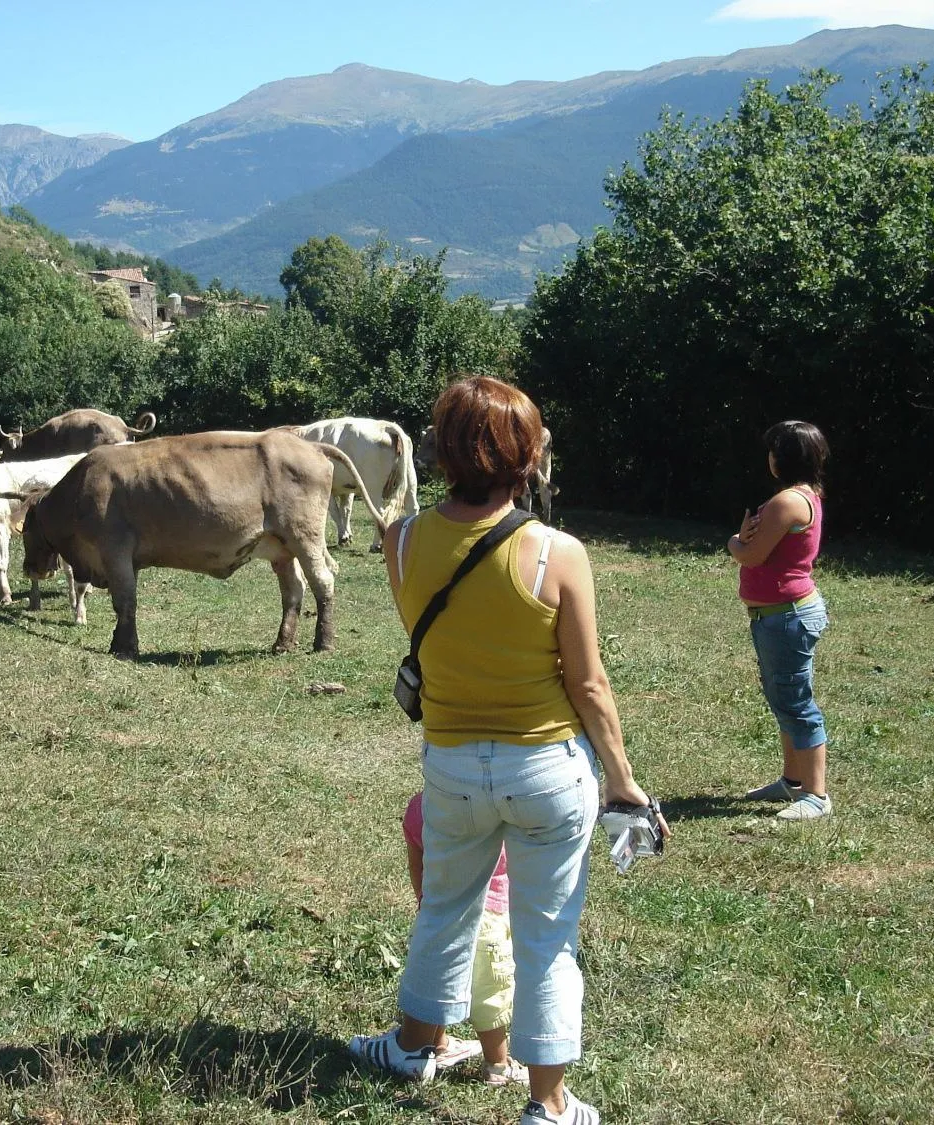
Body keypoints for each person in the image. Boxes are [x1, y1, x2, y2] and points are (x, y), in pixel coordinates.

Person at [348, 375, 668, 1125]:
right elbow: (588, 684)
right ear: (526, 456)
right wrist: (622, 781)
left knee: (444, 909)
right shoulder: (558, 552)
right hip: (548, 769)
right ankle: (548, 1104)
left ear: (440, 452)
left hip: (452, 763)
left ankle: (415, 1045)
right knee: (546, 936)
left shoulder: (400, 541)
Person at [727, 420, 832, 820]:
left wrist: (734, 542)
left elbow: (751, 554)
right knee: (784, 698)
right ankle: (792, 782)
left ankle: (816, 796)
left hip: (787, 617)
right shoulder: (804, 496)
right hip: (780, 616)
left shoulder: (785, 502)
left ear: (782, 458)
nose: (769, 457)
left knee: (796, 702)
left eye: (773, 450)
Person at [404, 790, 527, 1086]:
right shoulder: (500, 809)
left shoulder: (421, 806)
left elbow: (416, 864)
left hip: (439, 912)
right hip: (488, 916)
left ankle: (438, 1044)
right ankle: (498, 1065)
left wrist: (425, 903)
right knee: (490, 996)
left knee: (440, 980)